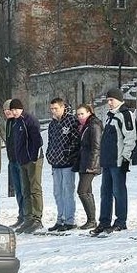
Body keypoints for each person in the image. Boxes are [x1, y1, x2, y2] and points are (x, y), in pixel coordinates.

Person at [91, 88, 137, 235]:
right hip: (108, 161)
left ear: (119, 99)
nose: (109, 103)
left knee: (119, 192)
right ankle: (104, 221)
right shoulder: (111, 115)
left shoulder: (125, 115)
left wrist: (126, 159)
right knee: (105, 193)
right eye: (108, 100)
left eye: (112, 100)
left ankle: (120, 221)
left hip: (118, 162)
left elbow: (130, 138)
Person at [6, 98, 44, 233]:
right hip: (21, 161)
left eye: (16, 109)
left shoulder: (30, 120)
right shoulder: (15, 123)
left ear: (21, 108)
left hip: (33, 160)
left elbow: (37, 140)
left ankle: (37, 218)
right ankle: (28, 218)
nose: (14, 112)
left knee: (35, 189)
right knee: (25, 190)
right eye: (12, 110)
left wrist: (33, 157)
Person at [46, 98, 80, 231]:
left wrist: (67, 153)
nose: (54, 111)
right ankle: (60, 219)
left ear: (62, 107)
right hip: (55, 163)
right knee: (57, 192)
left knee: (67, 191)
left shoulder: (71, 120)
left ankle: (69, 220)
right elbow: (50, 141)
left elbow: (76, 140)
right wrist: (50, 154)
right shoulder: (52, 124)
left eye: (56, 108)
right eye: (52, 109)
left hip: (67, 163)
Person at [73, 104, 102, 230]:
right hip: (83, 162)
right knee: (87, 191)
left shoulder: (94, 125)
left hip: (90, 163)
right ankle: (91, 219)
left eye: (82, 114)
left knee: (82, 191)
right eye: (78, 114)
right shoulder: (84, 126)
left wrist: (92, 164)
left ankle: (91, 219)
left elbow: (97, 146)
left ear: (89, 113)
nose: (80, 116)